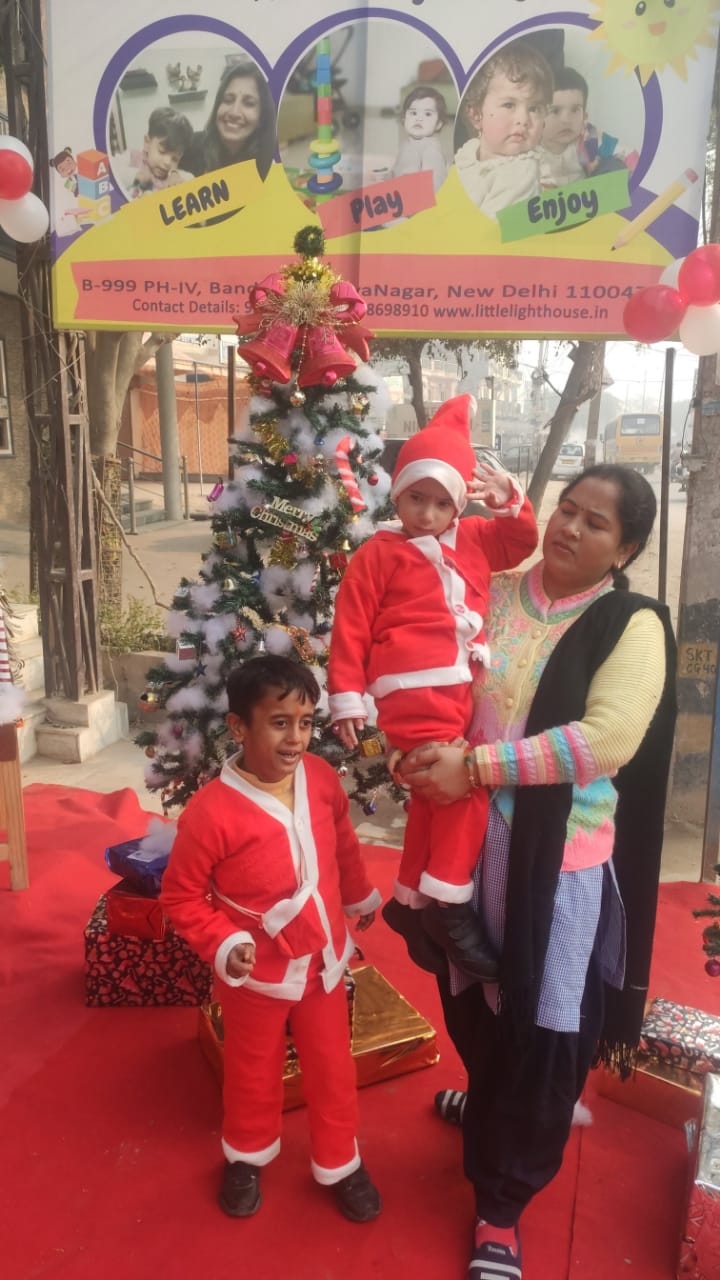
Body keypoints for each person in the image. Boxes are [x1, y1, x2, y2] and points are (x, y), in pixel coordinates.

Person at [399, 464, 677, 1280]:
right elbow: (433, 674)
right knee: (470, 991)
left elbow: (606, 740)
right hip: (462, 842)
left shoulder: (631, 625)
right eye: (567, 509)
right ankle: (493, 1104)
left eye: (597, 523)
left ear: (625, 549)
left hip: (557, 863)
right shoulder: (490, 591)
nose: (570, 528)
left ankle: (502, 1203)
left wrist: (476, 767)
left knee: (544, 1024)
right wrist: (411, 742)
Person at [160, 655, 382, 1224]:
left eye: (305, 723)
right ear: (239, 727)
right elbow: (181, 896)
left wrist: (358, 896)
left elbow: (344, 845)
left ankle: (340, 1160)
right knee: (252, 1069)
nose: (296, 738)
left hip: (322, 963)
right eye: (280, 723)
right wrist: (222, 941)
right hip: (255, 974)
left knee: (333, 1069)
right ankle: (246, 1155)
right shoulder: (210, 813)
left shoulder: (322, 779)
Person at [327, 395, 538, 980]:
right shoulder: (377, 554)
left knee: (431, 789)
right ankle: (450, 903)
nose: (427, 513)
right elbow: (351, 627)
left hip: (456, 686)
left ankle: (412, 897)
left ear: (459, 504)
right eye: (416, 498)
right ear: (397, 496)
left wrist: (511, 502)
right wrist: (347, 695)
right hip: (412, 688)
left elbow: (521, 543)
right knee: (463, 787)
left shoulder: (473, 537)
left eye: (443, 502)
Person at [454, 40, 553, 220]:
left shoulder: (521, 172)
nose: (523, 120)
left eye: (534, 109)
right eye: (509, 105)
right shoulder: (470, 152)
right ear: (476, 115)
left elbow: (489, 230)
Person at [540, 66, 633, 189]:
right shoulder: (530, 146)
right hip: (546, 197)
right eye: (555, 111)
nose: (566, 120)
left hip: (588, 195)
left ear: (584, 116)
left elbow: (628, 153)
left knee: (614, 165)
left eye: (575, 110)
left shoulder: (587, 137)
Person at [182, 61, 276, 180]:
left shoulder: (271, 162)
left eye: (248, 103)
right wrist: (173, 174)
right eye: (228, 100)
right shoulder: (189, 146)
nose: (234, 112)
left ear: (262, 116)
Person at [123, 106, 194, 198]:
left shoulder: (178, 176)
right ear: (147, 143)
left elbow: (192, 182)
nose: (167, 162)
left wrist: (180, 185)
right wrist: (134, 175)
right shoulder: (130, 157)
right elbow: (109, 173)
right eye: (162, 151)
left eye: (175, 159)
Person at [392, 85, 449, 192]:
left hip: (419, 199)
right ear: (404, 119)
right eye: (413, 113)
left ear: (438, 124)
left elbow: (434, 185)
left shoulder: (431, 150)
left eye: (427, 114)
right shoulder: (407, 143)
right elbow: (399, 171)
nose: (419, 118)